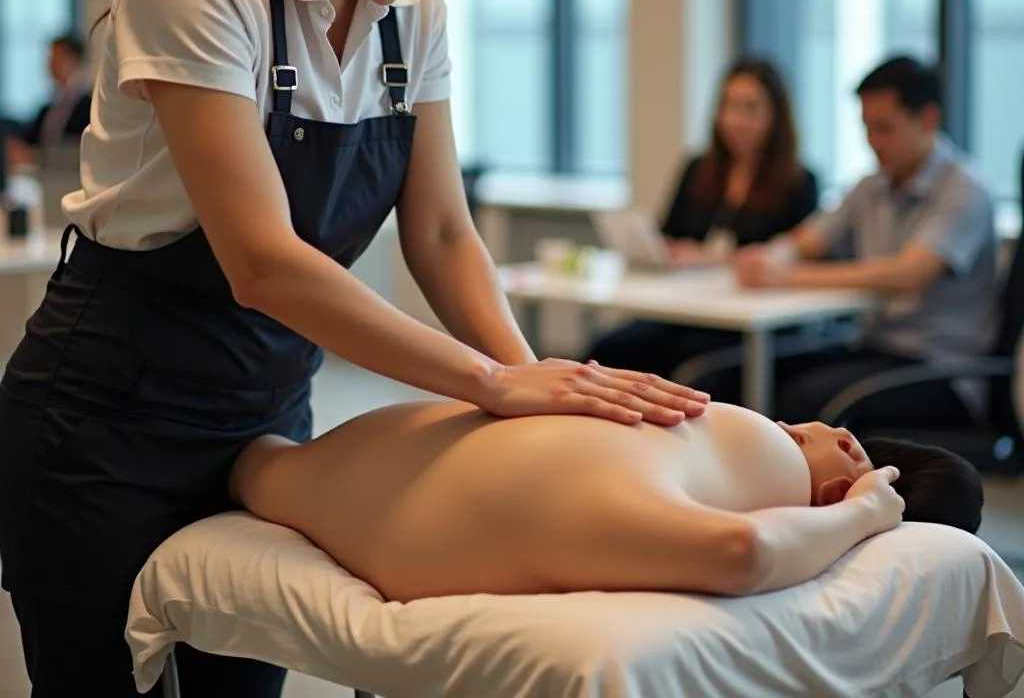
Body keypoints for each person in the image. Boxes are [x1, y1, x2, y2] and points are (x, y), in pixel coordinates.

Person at [0, 0, 708, 698]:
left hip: (266, 424)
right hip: (105, 423)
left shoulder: (410, 13)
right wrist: (493, 383)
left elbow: (444, 234)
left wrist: (541, 381)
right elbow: (264, 263)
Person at [231, 399, 982, 604]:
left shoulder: (768, 469)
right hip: (312, 476)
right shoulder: (710, 455)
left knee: (265, 466)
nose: (807, 426)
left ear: (851, 467)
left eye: (829, 432)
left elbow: (744, 552)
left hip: (307, 468)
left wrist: (862, 516)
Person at [731, 55, 998, 429]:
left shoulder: (965, 189)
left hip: (942, 370)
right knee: (741, 378)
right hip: (874, 348)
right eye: (867, 128)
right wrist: (770, 256)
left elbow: (908, 273)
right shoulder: (871, 185)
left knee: (805, 400)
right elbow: (809, 238)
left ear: (928, 120)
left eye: (885, 129)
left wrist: (786, 276)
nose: (873, 142)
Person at [588, 57, 818, 379]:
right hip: (689, 309)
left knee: (688, 369)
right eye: (729, 106)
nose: (736, 120)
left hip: (743, 322)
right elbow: (667, 232)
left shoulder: (799, 182)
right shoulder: (699, 169)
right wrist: (668, 250)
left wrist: (712, 258)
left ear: (776, 116)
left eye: (750, 108)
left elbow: (790, 257)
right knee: (608, 351)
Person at [3, 32, 91, 171]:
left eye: (57, 57)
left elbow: (80, 149)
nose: (50, 64)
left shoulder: (89, 105)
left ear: (74, 60)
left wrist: (37, 156)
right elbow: (30, 137)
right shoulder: (49, 108)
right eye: (50, 58)